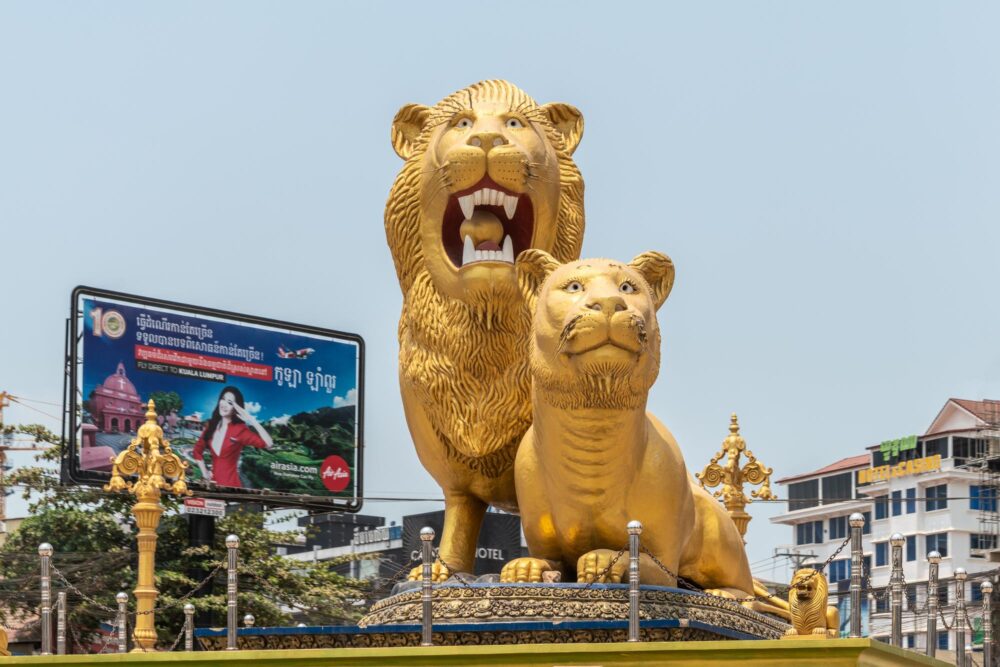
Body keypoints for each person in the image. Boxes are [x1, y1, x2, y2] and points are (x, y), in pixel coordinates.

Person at [192, 386, 272, 488]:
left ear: (235, 409)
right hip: (213, 487)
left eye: (230, 403)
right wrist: (205, 473)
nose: (224, 404)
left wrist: (251, 419)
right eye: (223, 399)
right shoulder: (211, 426)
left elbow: (269, 444)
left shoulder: (240, 430)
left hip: (231, 488)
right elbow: (197, 451)